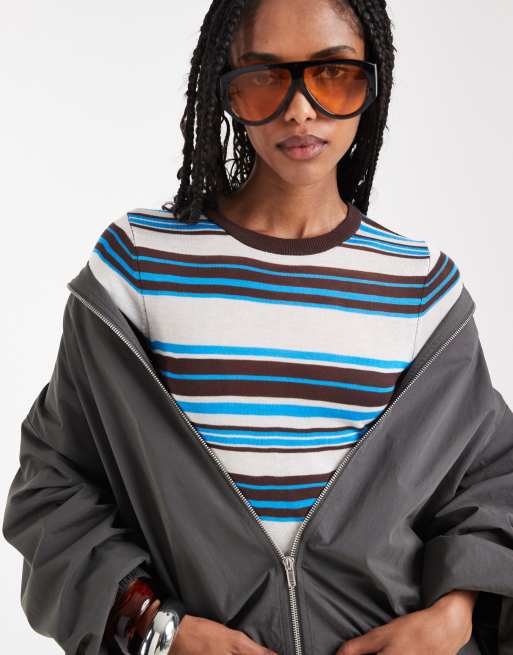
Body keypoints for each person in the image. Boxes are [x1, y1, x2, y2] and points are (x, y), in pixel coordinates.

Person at [4, 2, 513, 655]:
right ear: (225, 90)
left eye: (333, 73)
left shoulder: (420, 286)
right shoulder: (138, 268)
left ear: (373, 80)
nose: (299, 109)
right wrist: (157, 628)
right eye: (264, 76)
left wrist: (452, 615)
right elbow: (52, 485)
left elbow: (491, 483)